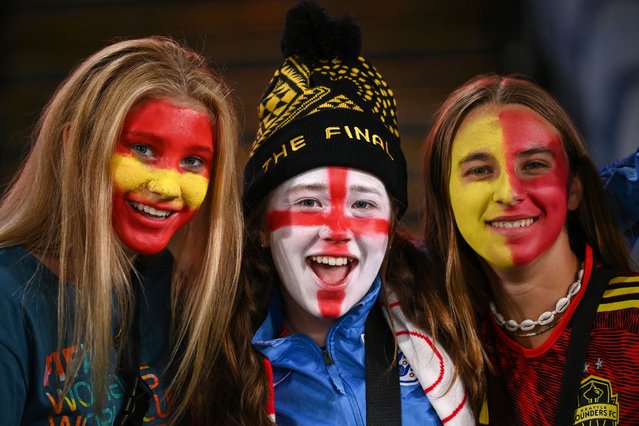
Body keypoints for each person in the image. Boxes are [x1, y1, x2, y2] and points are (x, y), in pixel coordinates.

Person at [209, 2, 479, 425]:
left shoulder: (454, 309)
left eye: (364, 204)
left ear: (391, 227)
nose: (337, 230)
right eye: (309, 202)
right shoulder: (209, 360)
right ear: (261, 225)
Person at [0, 36, 243, 424]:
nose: (165, 187)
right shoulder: (9, 299)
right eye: (144, 149)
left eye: (193, 160)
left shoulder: (165, 291)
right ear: (75, 148)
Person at [420, 73, 639, 425]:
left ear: (574, 189)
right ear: (446, 200)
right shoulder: (430, 348)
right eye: (480, 170)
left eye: (534, 165)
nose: (509, 192)